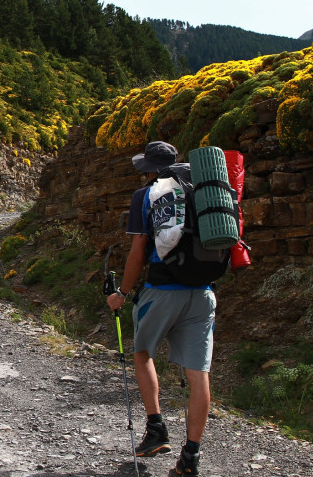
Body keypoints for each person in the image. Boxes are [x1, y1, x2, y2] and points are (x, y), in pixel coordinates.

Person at [106, 141, 216, 476]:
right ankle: (191, 457)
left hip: (162, 290)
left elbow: (139, 252)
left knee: (143, 353)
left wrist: (123, 293)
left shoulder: (147, 195)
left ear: (150, 169)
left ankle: (156, 430)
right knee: (199, 376)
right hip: (203, 293)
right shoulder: (203, 190)